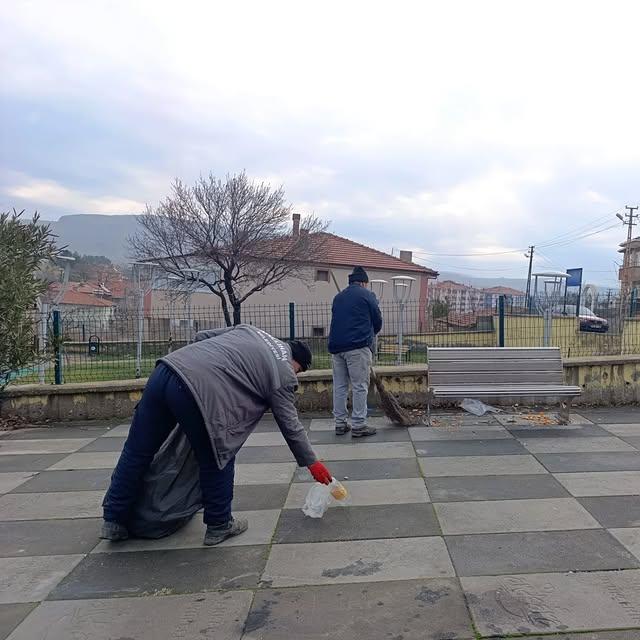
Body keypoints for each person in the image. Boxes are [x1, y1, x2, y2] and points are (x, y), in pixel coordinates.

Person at [100, 325, 332, 546]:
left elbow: (201, 336)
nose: (296, 376)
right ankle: (219, 524)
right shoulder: (283, 373)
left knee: (137, 451)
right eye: (299, 371)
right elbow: (290, 425)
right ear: (296, 363)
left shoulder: (250, 331)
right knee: (218, 454)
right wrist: (312, 463)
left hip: (166, 371)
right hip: (198, 393)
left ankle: (113, 520)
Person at [328, 266, 383, 437]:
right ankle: (359, 425)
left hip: (336, 348)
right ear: (364, 282)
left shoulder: (338, 297)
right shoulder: (367, 295)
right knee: (360, 386)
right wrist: (371, 334)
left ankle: (340, 424)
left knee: (340, 386)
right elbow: (378, 320)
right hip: (358, 347)